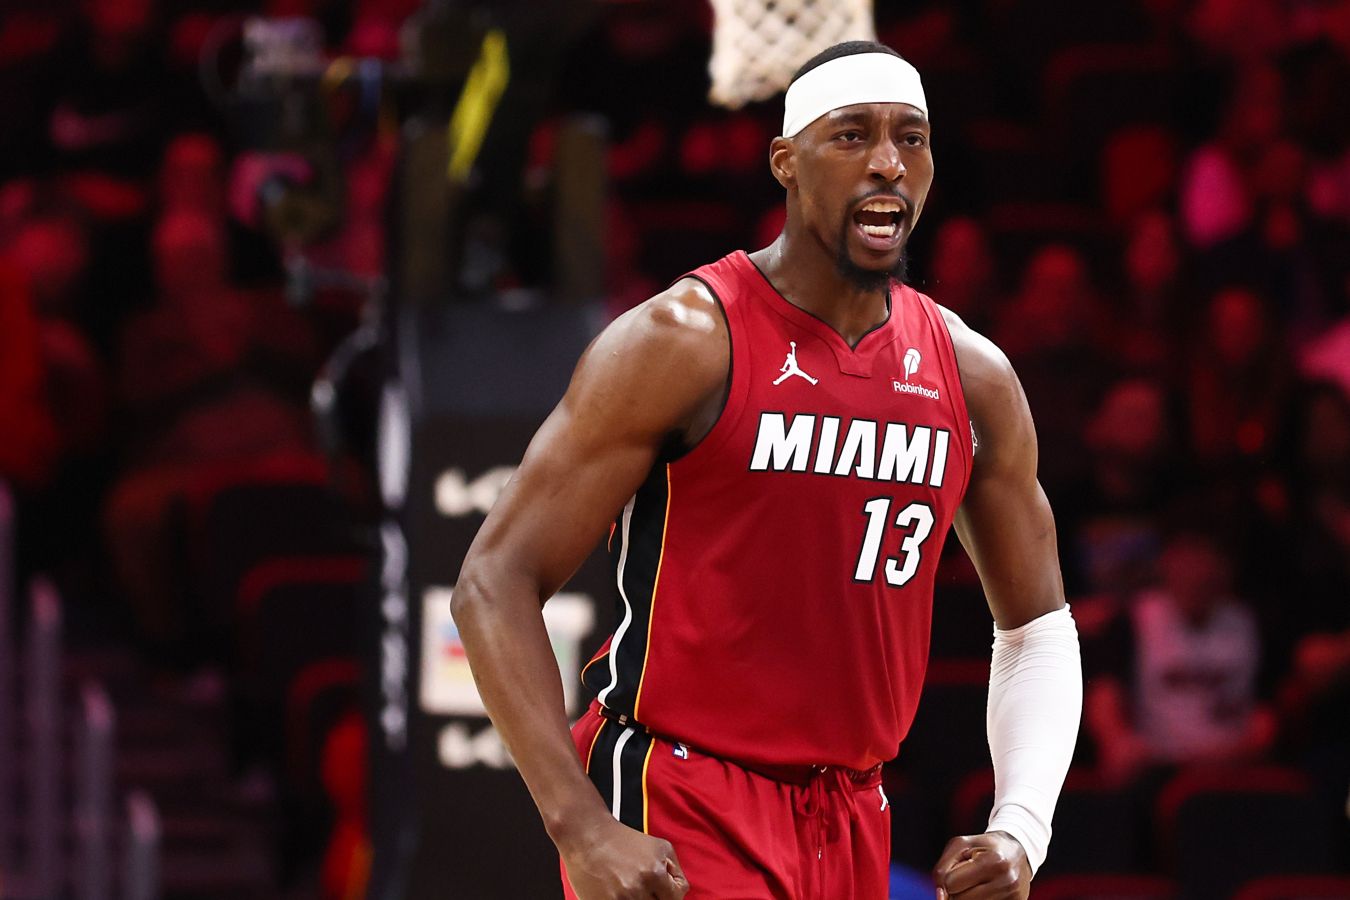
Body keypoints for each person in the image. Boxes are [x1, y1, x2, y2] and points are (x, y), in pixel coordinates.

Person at [454, 41, 1082, 900]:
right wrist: (582, 827)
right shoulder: (683, 341)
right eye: (852, 135)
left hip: (850, 811)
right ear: (786, 161)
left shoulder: (972, 378)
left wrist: (1023, 827)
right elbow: (493, 581)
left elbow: (1038, 628)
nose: (888, 163)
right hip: (680, 798)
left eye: (911, 138)